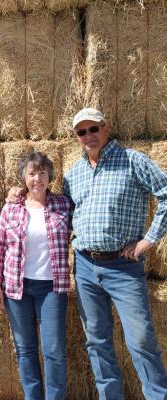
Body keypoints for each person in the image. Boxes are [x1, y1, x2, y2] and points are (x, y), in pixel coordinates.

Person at [63, 107, 167, 399]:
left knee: (141, 340)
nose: (88, 136)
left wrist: (148, 240)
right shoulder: (74, 174)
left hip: (123, 267)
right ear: (77, 137)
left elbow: (166, 194)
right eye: (81, 132)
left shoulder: (133, 161)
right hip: (84, 266)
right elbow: (57, 211)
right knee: (97, 342)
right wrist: (18, 195)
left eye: (93, 129)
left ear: (105, 128)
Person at [0, 152, 73, 400]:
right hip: (17, 288)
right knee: (25, 349)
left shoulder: (63, 204)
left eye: (42, 173)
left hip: (52, 287)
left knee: (54, 350)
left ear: (50, 177)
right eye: (32, 173)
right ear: (24, 177)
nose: (37, 178)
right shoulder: (11, 208)